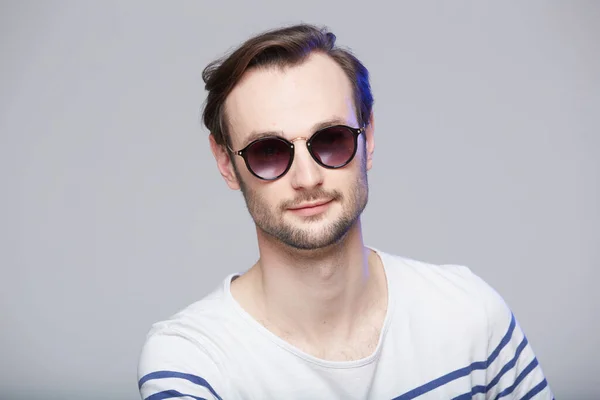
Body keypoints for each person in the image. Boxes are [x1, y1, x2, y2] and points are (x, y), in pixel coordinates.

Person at [137, 24, 553, 400]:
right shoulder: (194, 362)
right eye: (268, 151)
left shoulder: (471, 316)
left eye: (331, 139)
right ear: (226, 162)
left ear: (367, 137)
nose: (306, 177)